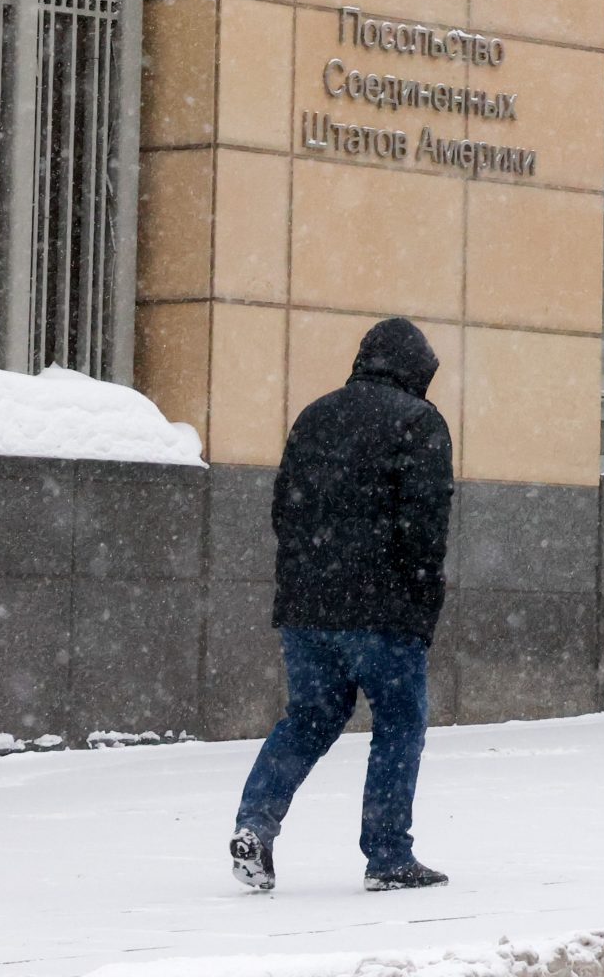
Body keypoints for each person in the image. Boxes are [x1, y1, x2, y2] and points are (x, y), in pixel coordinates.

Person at [230, 316, 454, 893]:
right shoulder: (419, 421)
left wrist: (311, 578)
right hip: (383, 610)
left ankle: (255, 824)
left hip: (306, 607)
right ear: (415, 371)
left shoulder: (314, 415)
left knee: (309, 717)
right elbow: (425, 524)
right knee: (400, 722)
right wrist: (421, 603)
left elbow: (283, 510)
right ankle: (387, 856)